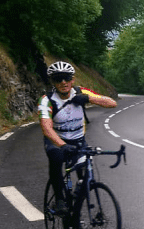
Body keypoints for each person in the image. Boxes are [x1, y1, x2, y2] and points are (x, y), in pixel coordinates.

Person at [39, 61, 117, 212]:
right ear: (53, 81)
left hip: (78, 140)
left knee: (86, 169)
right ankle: (60, 199)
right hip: (57, 141)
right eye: (58, 78)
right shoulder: (47, 100)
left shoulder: (81, 91)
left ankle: (77, 198)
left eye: (67, 78)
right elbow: (46, 128)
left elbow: (112, 103)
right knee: (56, 159)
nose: (63, 82)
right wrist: (62, 145)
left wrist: (88, 99)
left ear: (73, 79)